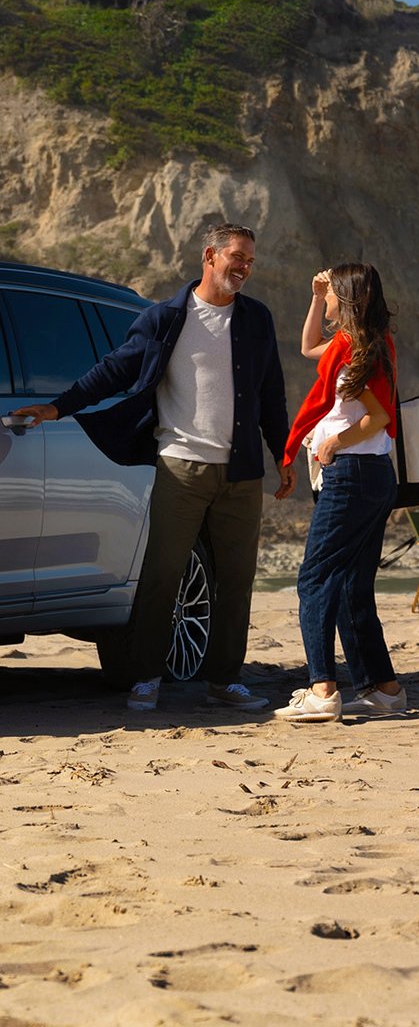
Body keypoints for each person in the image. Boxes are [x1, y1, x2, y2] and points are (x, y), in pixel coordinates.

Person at [14, 223, 296, 711]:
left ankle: (224, 681)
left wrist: (282, 453)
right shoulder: (165, 318)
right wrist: (58, 407)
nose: (245, 267)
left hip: (241, 471)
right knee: (162, 573)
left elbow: (271, 391)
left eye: (250, 260)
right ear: (210, 256)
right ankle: (146, 676)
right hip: (180, 466)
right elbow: (114, 369)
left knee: (235, 578)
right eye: (237, 257)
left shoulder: (257, 319)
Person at [274, 263, 404, 724]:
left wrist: (332, 443)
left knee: (314, 579)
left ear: (346, 298)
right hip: (375, 475)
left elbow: (378, 416)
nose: (326, 299)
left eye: (330, 293)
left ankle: (322, 690)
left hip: (351, 473)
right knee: (352, 585)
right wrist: (314, 296)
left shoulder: (354, 351)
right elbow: (309, 345)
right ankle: (383, 690)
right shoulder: (368, 343)